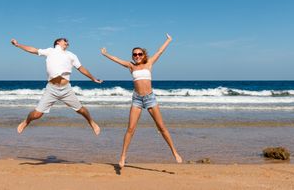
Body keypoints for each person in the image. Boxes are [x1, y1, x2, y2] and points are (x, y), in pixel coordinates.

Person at [101, 33, 182, 167]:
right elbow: (116, 59)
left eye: (139, 54)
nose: (137, 56)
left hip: (150, 98)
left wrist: (169, 40)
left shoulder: (149, 64)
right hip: (137, 99)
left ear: (144, 55)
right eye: (134, 54)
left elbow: (160, 51)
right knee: (130, 129)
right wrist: (105, 54)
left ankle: (175, 152)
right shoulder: (130, 66)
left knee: (161, 127)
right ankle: (122, 157)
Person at [11, 37, 103, 135]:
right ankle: (26, 121)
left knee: (81, 110)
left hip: (66, 89)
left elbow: (81, 68)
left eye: (68, 42)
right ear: (57, 42)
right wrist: (18, 45)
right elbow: (33, 50)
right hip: (51, 89)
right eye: (65, 41)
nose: (67, 43)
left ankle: (91, 122)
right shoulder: (50, 51)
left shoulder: (71, 55)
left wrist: (93, 78)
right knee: (36, 114)